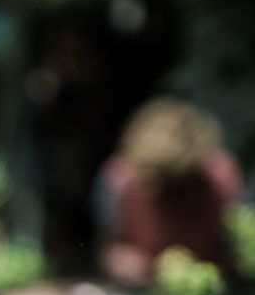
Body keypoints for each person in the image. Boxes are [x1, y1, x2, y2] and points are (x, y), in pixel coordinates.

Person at [94, 98, 241, 284]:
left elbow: (235, 250)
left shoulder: (221, 178)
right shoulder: (118, 180)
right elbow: (107, 248)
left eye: (177, 186)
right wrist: (124, 262)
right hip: (147, 291)